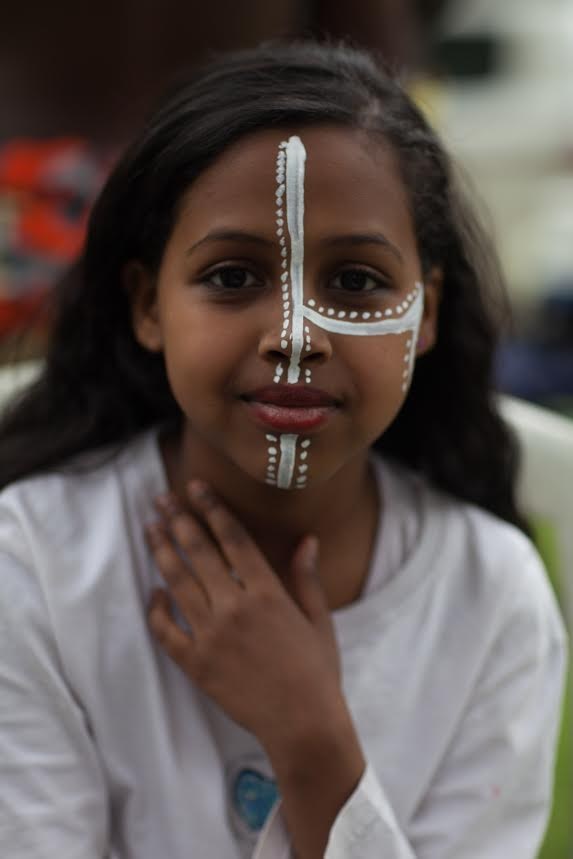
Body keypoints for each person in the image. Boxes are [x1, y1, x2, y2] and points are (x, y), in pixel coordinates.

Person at [0, 41, 566, 859]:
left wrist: (311, 742)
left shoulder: (491, 596)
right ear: (147, 304)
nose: (295, 339)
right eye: (232, 277)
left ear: (426, 310)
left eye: (357, 282)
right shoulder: (33, 567)